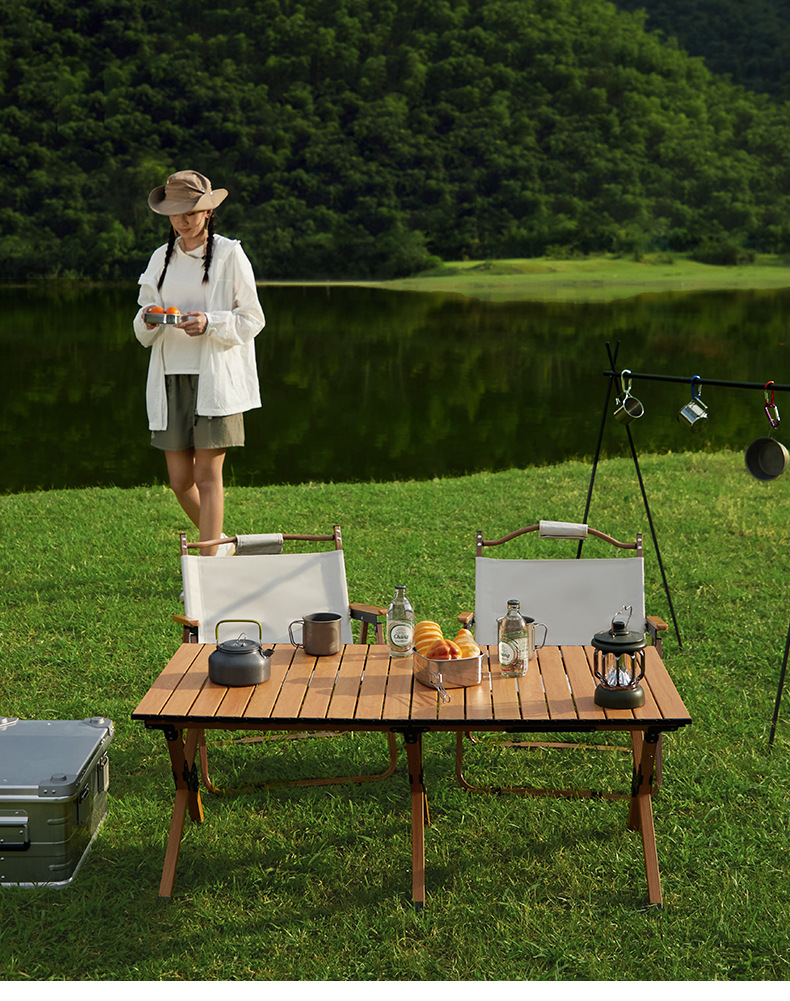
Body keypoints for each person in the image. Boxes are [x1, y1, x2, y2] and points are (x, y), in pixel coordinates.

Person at [133, 170, 264, 555]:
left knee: (207, 476)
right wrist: (148, 319)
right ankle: (220, 545)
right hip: (170, 378)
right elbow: (143, 315)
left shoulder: (229, 254)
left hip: (214, 380)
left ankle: (208, 567)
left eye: (191, 212)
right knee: (179, 481)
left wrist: (210, 322)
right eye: (176, 212)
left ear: (208, 212)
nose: (183, 220)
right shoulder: (160, 258)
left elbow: (253, 318)